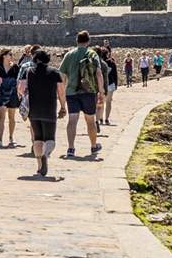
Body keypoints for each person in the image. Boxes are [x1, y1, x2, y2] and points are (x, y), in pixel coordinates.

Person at [18, 49, 65, 177]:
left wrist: (27, 95)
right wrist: (63, 106)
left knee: (37, 139)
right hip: (49, 109)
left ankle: (39, 167)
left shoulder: (28, 72)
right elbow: (61, 91)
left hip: (34, 110)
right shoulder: (54, 72)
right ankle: (46, 155)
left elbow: (21, 89)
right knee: (50, 139)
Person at [59, 30, 105, 158]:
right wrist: (101, 92)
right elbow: (99, 74)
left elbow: (62, 76)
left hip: (71, 92)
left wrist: (62, 94)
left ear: (76, 41)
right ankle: (93, 146)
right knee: (90, 120)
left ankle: (71, 148)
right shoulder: (92, 54)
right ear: (88, 41)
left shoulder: (69, 55)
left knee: (72, 120)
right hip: (88, 92)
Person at [0, 50, 21, 147]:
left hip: (12, 94)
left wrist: (20, 93)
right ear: (4, 56)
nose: (12, 56)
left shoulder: (15, 67)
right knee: (2, 116)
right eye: (10, 54)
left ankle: (11, 137)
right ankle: (0, 139)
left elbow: (19, 81)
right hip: (2, 93)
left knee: (11, 117)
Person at [99, 46, 118, 127]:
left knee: (101, 102)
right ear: (108, 53)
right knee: (109, 102)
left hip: (101, 84)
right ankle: (107, 119)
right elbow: (115, 74)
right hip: (110, 84)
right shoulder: (112, 62)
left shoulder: (99, 63)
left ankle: (100, 118)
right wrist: (116, 84)